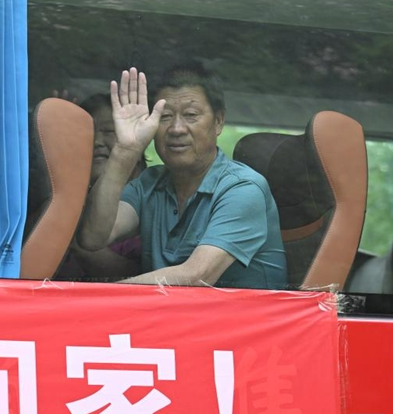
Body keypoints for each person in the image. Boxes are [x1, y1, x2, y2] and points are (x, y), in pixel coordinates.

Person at [77, 62, 287, 288]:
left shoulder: (243, 188)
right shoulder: (150, 182)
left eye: (191, 115)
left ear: (218, 122)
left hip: (244, 320)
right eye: (165, 117)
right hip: (175, 317)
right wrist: (125, 152)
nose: (176, 129)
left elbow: (195, 276)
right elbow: (92, 237)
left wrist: (103, 299)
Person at [55, 94, 145, 280]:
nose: (96, 141)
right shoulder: (63, 198)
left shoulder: (152, 196)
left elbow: (136, 274)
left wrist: (66, 236)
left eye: (110, 131)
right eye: (88, 132)